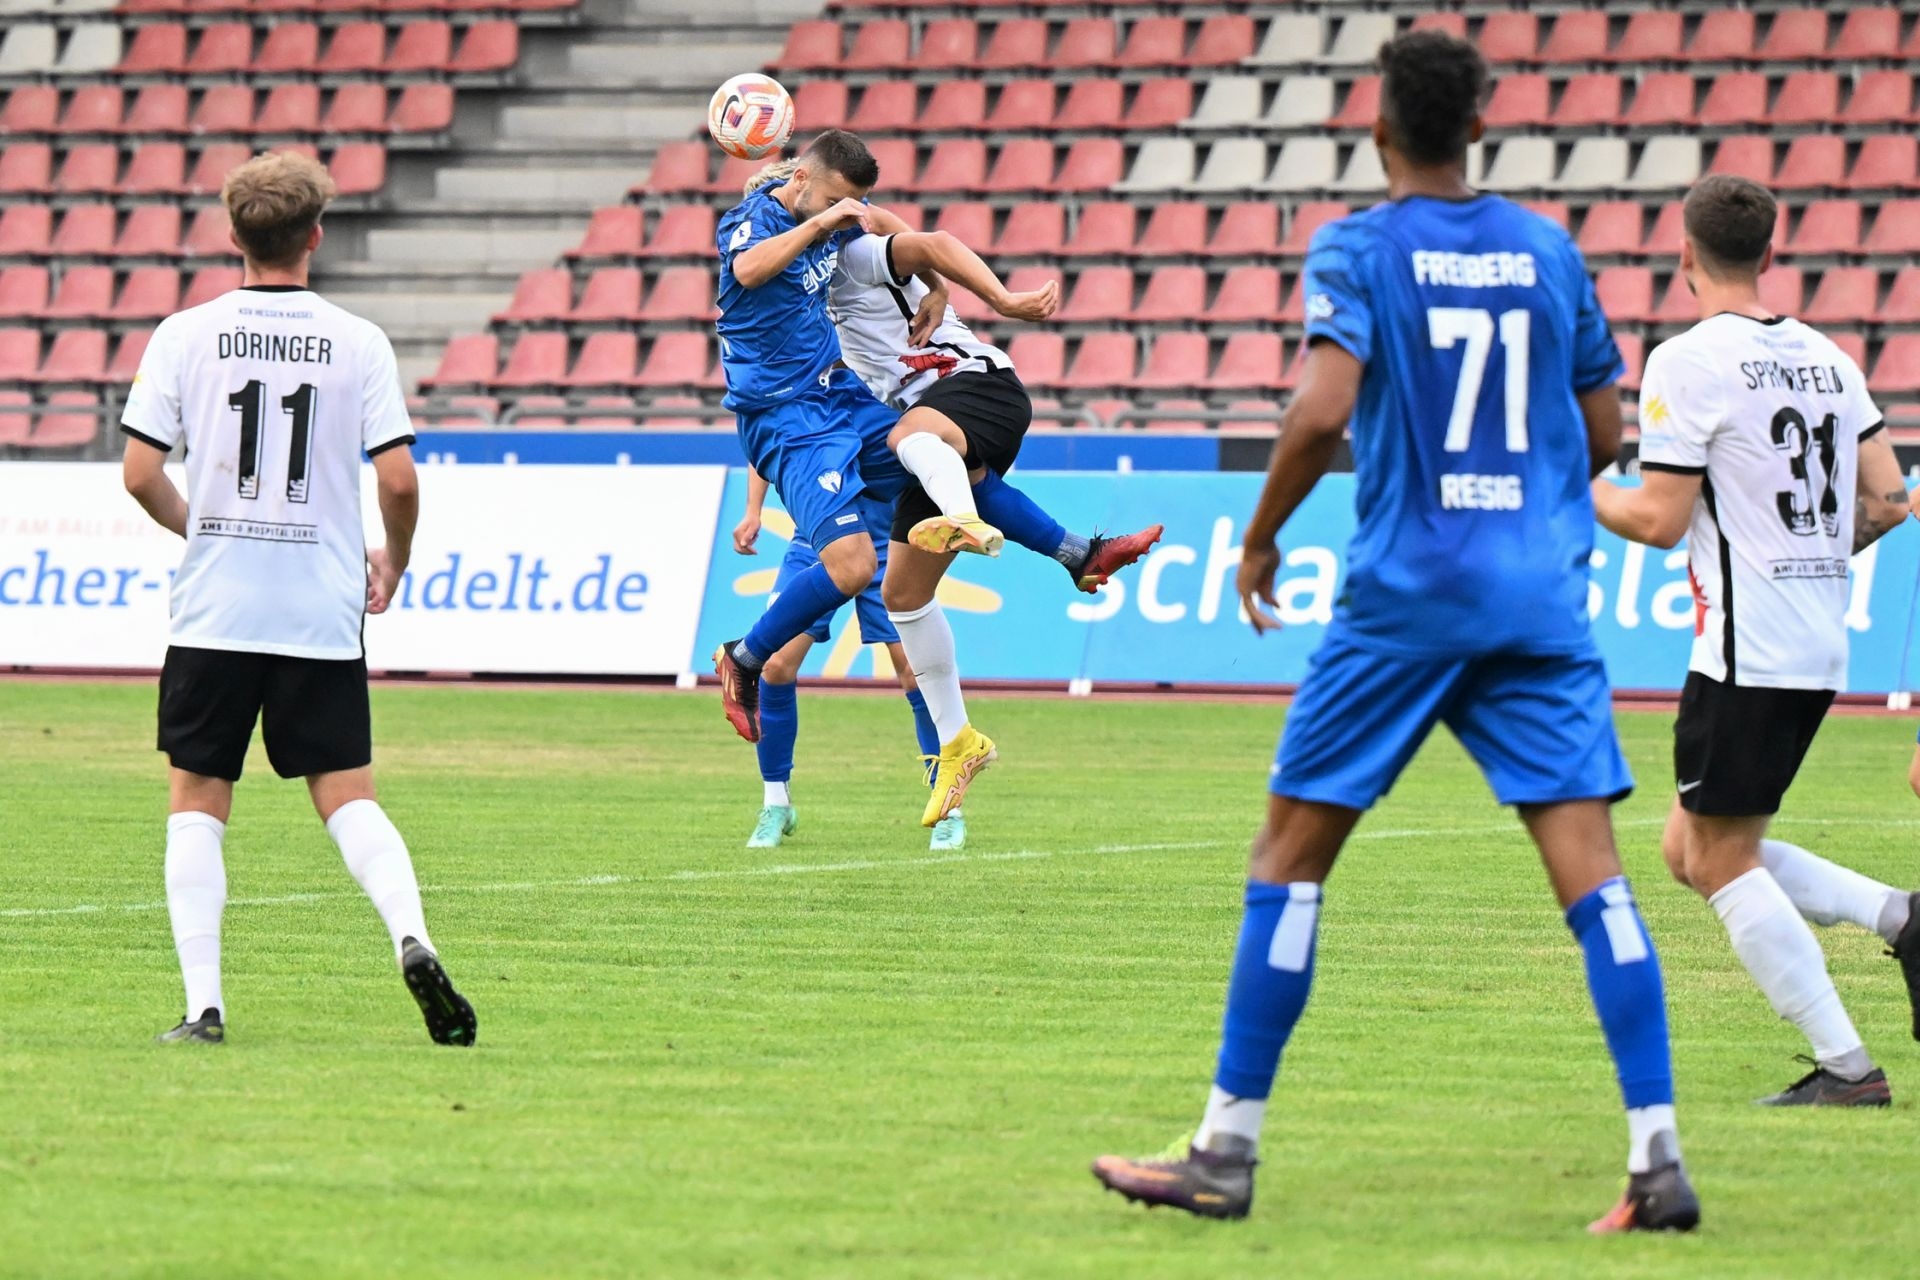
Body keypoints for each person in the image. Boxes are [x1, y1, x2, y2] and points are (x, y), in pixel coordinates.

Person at [1090, 31, 1697, 1233]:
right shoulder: (1547, 246)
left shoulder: (1359, 246)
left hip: (1406, 599)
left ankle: (1225, 1149)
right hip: (1536, 599)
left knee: (1288, 859)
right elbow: (1602, 431)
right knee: (1596, 875)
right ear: (1480, 127)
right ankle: (1658, 1156)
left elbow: (1321, 411)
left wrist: (1260, 536)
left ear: (1378, 132)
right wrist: (1524, 497)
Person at [119, 151, 475, 1047]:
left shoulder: (183, 334)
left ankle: (204, 1007)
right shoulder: (357, 340)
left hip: (217, 609)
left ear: (232, 235)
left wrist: (203, 528)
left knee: (198, 798)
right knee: (348, 795)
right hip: (319, 607)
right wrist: (394, 560)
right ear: (316, 235)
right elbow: (399, 479)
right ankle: (413, 937)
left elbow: (139, 473)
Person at [1591, 173, 1920, 1104]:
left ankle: (1848, 1068)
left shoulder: (1687, 359)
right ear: (1771, 253)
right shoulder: (1828, 357)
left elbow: (1658, 519)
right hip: (1816, 640)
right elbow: (1891, 500)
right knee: (1687, 848)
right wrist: (1809, 554)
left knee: (1716, 858)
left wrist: (1572, 489)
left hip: (1748, 648)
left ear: (1684, 255)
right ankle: (1901, 919)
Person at [731, 469, 958, 851]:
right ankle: (776, 803)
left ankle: (948, 808)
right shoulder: (807, 423)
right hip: (818, 538)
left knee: (915, 673)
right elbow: (765, 443)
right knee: (774, 664)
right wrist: (753, 510)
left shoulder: (898, 424)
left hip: (892, 543)